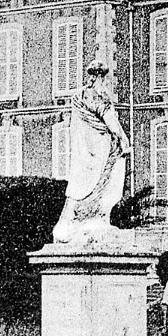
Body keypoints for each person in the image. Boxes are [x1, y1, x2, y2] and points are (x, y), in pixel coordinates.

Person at [52, 61, 131, 243]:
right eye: (102, 76)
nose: (103, 80)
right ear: (98, 77)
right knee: (104, 178)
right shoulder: (98, 95)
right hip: (99, 148)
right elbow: (110, 121)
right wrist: (122, 138)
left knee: (86, 184)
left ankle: (88, 218)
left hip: (86, 150)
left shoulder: (79, 96)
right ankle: (96, 217)